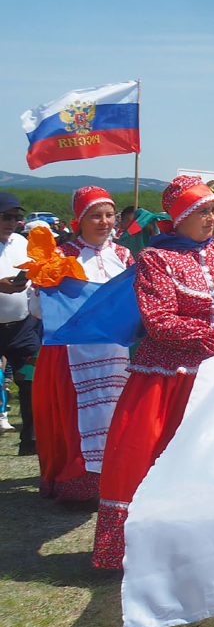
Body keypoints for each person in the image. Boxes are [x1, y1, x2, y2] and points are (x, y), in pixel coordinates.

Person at [93, 175, 214, 568]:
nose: (211, 218)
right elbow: (159, 321)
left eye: (212, 210)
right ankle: (145, 550)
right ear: (179, 217)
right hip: (169, 379)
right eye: (201, 211)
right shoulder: (156, 259)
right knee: (153, 457)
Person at [34, 186, 134, 502]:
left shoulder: (124, 255)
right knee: (79, 416)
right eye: (96, 216)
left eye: (109, 215)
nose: (104, 222)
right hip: (76, 352)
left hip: (117, 351)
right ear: (79, 219)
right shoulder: (61, 257)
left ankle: (117, 478)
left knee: (118, 411)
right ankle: (82, 482)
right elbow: (38, 310)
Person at [0, 192, 39, 456]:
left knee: (31, 382)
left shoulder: (22, 242)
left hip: (22, 327)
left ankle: (32, 442)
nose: (12, 221)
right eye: (6, 216)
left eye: (16, 217)